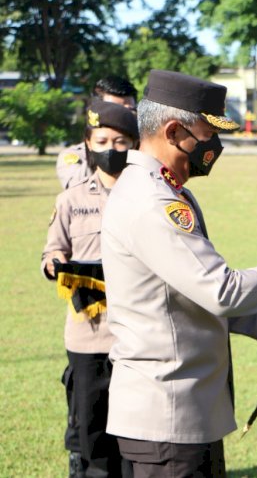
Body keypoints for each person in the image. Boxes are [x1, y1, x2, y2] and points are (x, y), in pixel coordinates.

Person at [100, 69, 257, 477]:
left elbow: (189, 294)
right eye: (207, 132)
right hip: (168, 418)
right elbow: (220, 290)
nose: (214, 144)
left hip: (183, 413)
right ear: (174, 131)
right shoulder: (152, 201)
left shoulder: (169, 191)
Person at [42, 100, 140, 477]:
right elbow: (53, 249)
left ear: (133, 144)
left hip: (136, 339)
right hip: (88, 337)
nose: (111, 149)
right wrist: (52, 263)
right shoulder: (71, 199)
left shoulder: (148, 196)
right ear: (87, 143)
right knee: (93, 435)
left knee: (135, 437)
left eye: (120, 141)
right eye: (102, 140)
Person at [56, 76, 138, 190]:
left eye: (129, 111)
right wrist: (100, 154)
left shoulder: (145, 151)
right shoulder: (76, 156)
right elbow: (78, 191)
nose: (122, 118)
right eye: (114, 110)